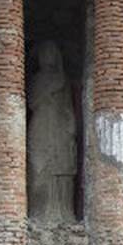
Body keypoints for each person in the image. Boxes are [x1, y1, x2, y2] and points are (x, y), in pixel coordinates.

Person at [27, 40, 76, 221]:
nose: (47, 57)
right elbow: (32, 102)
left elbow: (69, 107)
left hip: (59, 125)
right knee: (39, 168)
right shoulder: (37, 79)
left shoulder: (63, 79)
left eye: (50, 52)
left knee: (62, 167)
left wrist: (71, 126)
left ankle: (64, 211)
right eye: (44, 53)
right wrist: (48, 91)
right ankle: (39, 211)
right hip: (41, 124)